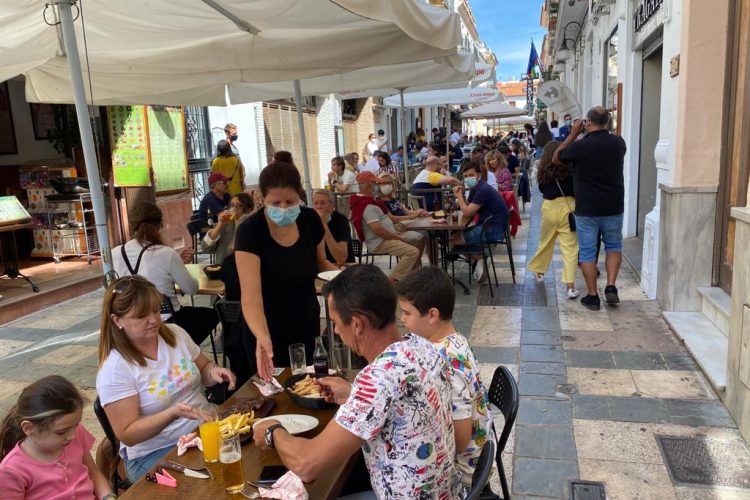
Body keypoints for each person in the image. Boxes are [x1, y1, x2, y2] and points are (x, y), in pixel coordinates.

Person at [252, 265, 462, 499]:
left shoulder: (377, 378)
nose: (335, 330)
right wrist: (353, 394)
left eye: (335, 321)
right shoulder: (423, 346)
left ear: (357, 324)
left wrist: (272, 431)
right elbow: (401, 404)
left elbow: (307, 465)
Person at [96, 276, 236, 481]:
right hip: (154, 452)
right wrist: (171, 414)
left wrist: (213, 371)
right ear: (117, 320)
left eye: (155, 309)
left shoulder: (174, 333)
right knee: (211, 482)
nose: (154, 320)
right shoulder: (115, 370)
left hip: (202, 429)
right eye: (142, 315)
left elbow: (205, 370)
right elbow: (128, 434)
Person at [234, 161, 339, 380]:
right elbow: (251, 296)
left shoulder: (310, 220)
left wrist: (344, 276)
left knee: (310, 387)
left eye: (290, 201)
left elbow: (321, 262)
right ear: (261, 198)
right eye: (276, 202)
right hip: (266, 328)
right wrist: (262, 337)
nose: (283, 208)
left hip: (306, 322)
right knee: (276, 393)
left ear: (299, 196)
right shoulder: (250, 232)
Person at [396, 266, 494, 489]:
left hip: (461, 471)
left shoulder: (447, 362)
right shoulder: (453, 339)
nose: (402, 319)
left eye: (407, 313)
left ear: (432, 315)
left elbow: (459, 441)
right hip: (470, 455)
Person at [554, 106, 627, 310]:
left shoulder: (580, 146)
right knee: (613, 246)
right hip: (613, 205)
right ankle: (611, 286)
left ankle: (593, 296)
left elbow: (556, 158)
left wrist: (573, 133)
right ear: (608, 122)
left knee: (586, 253)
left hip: (587, 207)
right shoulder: (619, 143)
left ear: (588, 122)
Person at [113, 202, 215, 346]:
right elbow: (191, 289)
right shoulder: (166, 253)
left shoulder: (115, 253)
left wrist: (177, 264)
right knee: (212, 314)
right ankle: (182, 349)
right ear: (159, 225)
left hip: (129, 323)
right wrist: (180, 268)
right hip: (167, 321)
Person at [0, 375, 115, 499]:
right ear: (29, 428)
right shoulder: (11, 470)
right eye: (61, 432)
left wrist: (108, 497)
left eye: (76, 425)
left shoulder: (77, 433)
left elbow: (94, 473)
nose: (72, 435)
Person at [350, 172, 425, 282]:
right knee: (412, 252)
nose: (378, 186)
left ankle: (410, 276)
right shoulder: (366, 205)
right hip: (380, 241)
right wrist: (395, 237)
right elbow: (377, 230)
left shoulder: (370, 201)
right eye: (376, 183)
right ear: (369, 186)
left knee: (420, 239)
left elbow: (390, 219)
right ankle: (392, 283)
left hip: (387, 236)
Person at [527, 141, 580, 299]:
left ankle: (539, 272)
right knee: (570, 248)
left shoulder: (543, 170)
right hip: (569, 206)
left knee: (546, 242)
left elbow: (542, 189)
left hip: (549, 207)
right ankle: (570, 287)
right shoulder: (571, 168)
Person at [453, 161, 509, 282]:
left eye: (471, 175)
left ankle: (479, 259)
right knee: (456, 236)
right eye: (466, 176)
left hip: (493, 230)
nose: (468, 178)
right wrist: (462, 198)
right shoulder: (477, 188)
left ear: (478, 175)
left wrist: (459, 196)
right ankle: (478, 261)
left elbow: (467, 212)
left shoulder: (482, 190)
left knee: (454, 240)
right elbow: (469, 207)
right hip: (493, 226)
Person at [201, 192, 254, 264]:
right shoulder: (225, 225)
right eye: (232, 205)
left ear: (249, 210)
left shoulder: (252, 227)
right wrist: (219, 225)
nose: (234, 209)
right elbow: (206, 248)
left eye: (239, 206)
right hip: (223, 268)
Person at [313, 189, 354, 265]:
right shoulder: (310, 221)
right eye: (316, 203)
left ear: (332, 206)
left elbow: (341, 258)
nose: (319, 207)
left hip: (343, 265)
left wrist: (324, 225)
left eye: (323, 203)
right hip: (321, 266)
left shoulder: (341, 220)